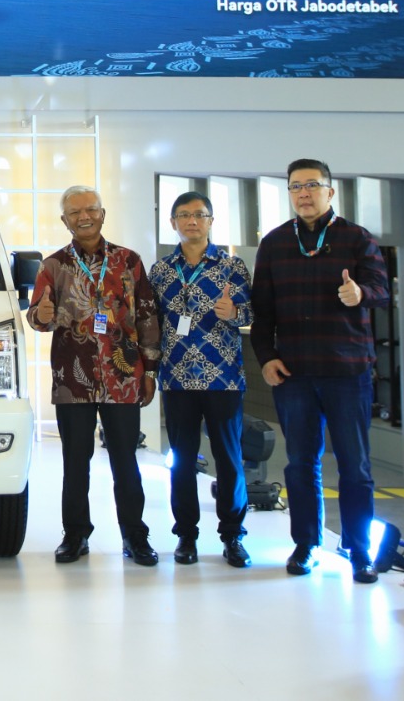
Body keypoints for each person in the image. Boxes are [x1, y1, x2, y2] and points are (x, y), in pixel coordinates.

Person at [251, 158, 389, 583]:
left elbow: (381, 291)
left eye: (312, 185)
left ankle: (359, 550)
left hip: (347, 370)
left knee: (355, 465)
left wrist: (359, 293)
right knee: (299, 464)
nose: (304, 194)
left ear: (330, 191)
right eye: (295, 187)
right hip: (294, 373)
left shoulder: (357, 239)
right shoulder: (275, 243)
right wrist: (266, 357)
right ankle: (306, 543)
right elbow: (262, 311)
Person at [26, 185, 161, 566]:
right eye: (75, 212)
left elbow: (147, 315)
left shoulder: (129, 261)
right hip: (73, 380)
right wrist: (40, 316)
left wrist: (150, 369)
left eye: (90, 210)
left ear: (103, 215)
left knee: (125, 461)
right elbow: (37, 316)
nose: (83, 217)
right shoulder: (53, 266)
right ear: (64, 220)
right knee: (75, 462)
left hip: (124, 376)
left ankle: (135, 536)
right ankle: (75, 534)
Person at [148, 191, 253, 568]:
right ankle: (186, 535)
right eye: (183, 215)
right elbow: (151, 322)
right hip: (177, 378)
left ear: (210, 221)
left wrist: (233, 312)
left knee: (229, 458)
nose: (191, 221)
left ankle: (233, 535)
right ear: (172, 223)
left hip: (223, 379)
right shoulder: (161, 270)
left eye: (199, 214)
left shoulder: (232, 266)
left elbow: (250, 314)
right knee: (181, 461)